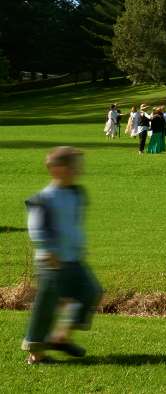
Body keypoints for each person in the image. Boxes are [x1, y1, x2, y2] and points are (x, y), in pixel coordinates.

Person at [22, 147, 103, 365]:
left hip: (74, 259)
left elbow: (71, 224)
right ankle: (36, 355)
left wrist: (78, 245)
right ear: (58, 170)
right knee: (45, 308)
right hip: (51, 263)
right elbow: (36, 229)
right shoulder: (43, 199)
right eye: (75, 166)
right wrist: (49, 251)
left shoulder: (77, 193)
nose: (79, 170)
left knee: (90, 291)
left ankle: (60, 337)